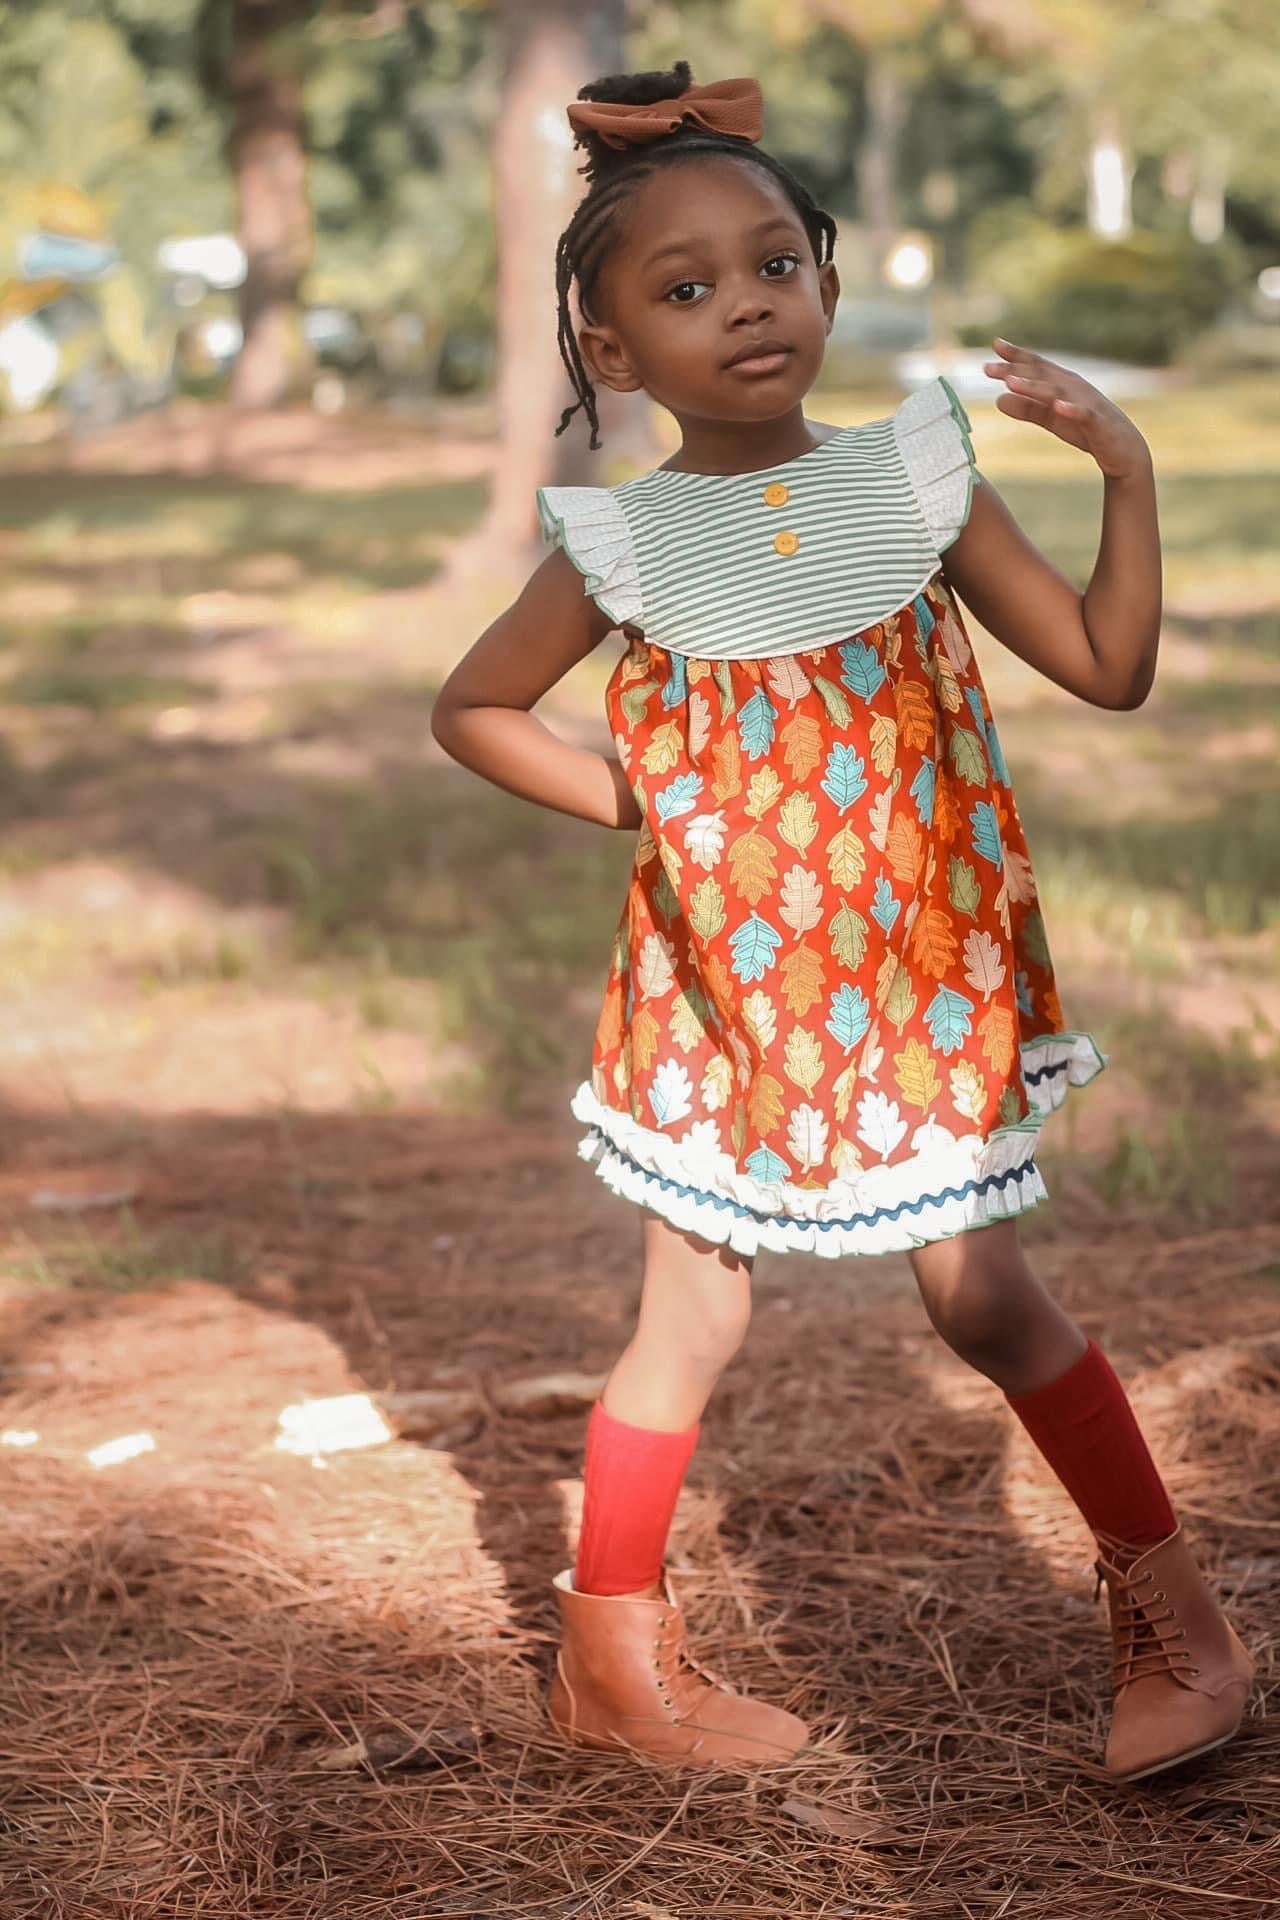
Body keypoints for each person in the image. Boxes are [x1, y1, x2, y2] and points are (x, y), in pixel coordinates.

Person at [430, 61, 1254, 1783]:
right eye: (684, 289)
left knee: (983, 1299)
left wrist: (1126, 463)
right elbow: (477, 708)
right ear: (611, 351)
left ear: (824, 268)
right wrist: (647, 807)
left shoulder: (919, 485)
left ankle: (1186, 1626)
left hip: (919, 984)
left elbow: (1109, 669)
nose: (746, 307)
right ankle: (613, 1669)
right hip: (722, 985)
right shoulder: (622, 543)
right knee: (690, 1316)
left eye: (776, 265)